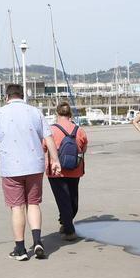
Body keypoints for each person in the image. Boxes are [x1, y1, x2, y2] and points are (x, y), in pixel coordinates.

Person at [0, 83, 56, 261]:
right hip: (34, 165)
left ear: (6, 97)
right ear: (23, 95)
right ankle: (38, 241)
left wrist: (1, 144)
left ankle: (20, 248)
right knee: (33, 203)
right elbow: (48, 137)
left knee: (17, 206)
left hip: (11, 166)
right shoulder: (35, 112)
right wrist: (55, 160)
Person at [47, 101, 87, 241]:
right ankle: (66, 221)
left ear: (57, 113)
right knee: (73, 199)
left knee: (62, 200)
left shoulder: (50, 130)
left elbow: (43, 148)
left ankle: (69, 230)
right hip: (75, 170)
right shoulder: (78, 129)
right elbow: (83, 148)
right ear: (70, 114)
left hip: (55, 171)